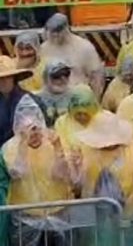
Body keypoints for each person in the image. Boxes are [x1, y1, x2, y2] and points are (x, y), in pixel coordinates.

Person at [3, 96, 73, 244]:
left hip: (57, 213)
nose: (34, 136)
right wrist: (23, 146)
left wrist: (58, 148)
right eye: (29, 131)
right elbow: (16, 173)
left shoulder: (54, 142)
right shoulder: (10, 147)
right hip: (26, 218)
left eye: (36, 130)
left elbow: (60, 175)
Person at [72, 111, 133, 224]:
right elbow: (78, 184)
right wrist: (76, 169)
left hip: (128, 217)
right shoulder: (86, 149)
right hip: (94, 217)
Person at [39, 14, 104, 97]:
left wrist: (95, 99)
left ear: (66, 29)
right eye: (51, 32)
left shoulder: (84, 47)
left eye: (58, 31)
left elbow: (96, 76)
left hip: (78, 98)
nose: (55, 35)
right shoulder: (43, 49)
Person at [0, 57, 38, 146]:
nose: (3, 81)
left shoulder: (28, 100)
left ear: (14, 78)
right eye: (0, 78)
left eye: (7, 77)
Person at [35, 60, 73, 127]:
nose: (63, 79)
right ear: (46, 78)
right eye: (57, 76)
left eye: (66, 74)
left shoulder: (75, 96)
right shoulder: (36, 99)